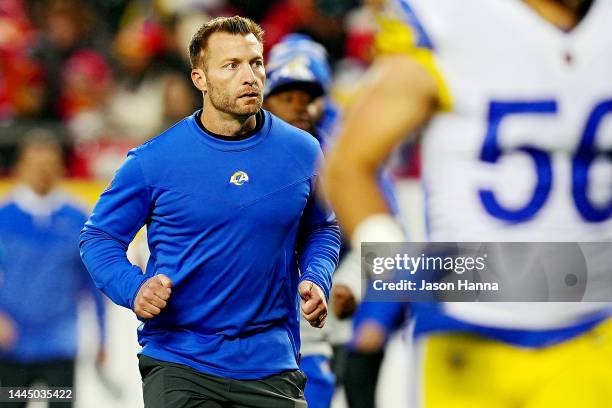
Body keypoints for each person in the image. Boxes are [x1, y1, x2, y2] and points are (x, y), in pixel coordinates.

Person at [323, 0, 612, 407]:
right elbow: (347, 167)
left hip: (594, 326)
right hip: (466, 330)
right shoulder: (451, 21)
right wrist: (395, 265)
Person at [80, 16, 341, 408]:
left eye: (255, 62)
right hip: (180, 362)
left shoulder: (303, 152)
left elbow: (323, 229)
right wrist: (133, 288)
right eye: (231, 65)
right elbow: (99, 238)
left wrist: (317, 278)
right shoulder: (153, 161)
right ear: (199, 79)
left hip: (271, 365)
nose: (250, 76)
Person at [0, 130, 106, 408]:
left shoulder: (77, 219)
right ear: (21, 167)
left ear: (60, 168)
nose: (42, 173)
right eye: (36, 166)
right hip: (11, 347)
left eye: (49, 166)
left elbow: (92, 283)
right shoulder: (4, 217)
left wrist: (102, 337)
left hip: (60, 346)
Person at [263, 33, 338, 408]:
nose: (298, 107)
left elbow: (377, 239)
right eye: (287, 96)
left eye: (307, 97)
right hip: (233, 341)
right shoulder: (230, 150)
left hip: (316, 326)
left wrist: (353, 290)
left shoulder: (344, 160)